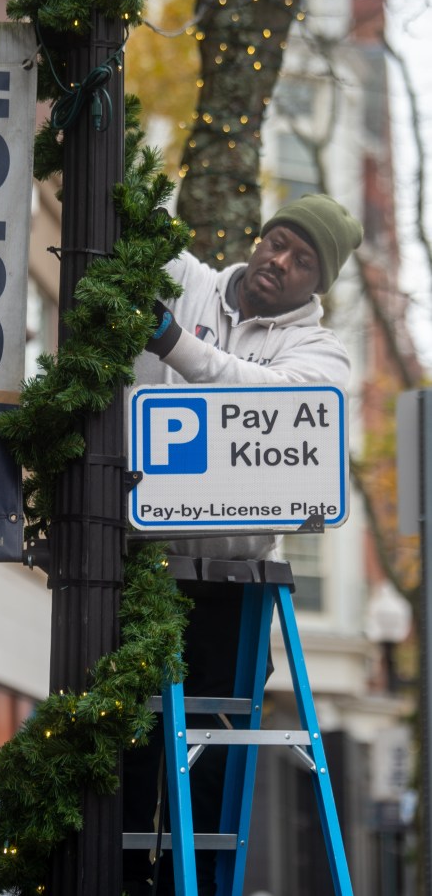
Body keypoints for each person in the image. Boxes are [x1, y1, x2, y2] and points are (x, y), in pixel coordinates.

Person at [122, 193, 363, 895]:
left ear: (318, 284)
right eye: (278, 241)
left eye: (303, 260)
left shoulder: (322, 354)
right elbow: (126, 212)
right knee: (128, 749)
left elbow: (273, 404)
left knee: (213, 767)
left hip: (235, 587)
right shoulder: (187, 281)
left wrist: (175, 345)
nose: (280, 261)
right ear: (261, 237)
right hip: (140, 567)